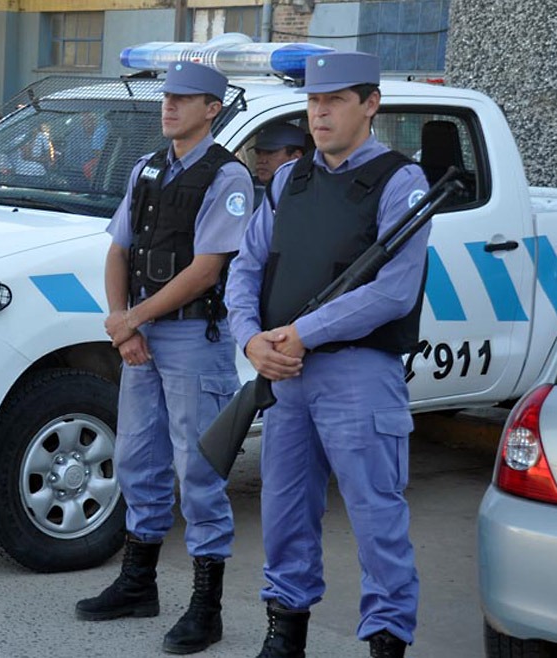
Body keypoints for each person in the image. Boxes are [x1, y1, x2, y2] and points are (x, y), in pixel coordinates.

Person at [224, 52, 429, 658]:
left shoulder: (402, 182)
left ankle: (387, 640)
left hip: (358, 371)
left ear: (371, 104)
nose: (320, 113)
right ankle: (285, 631)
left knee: (376, 517)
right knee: (285, 509)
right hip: (285, 371)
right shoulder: (289, 179)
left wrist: (302, 332)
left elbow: (393, 291)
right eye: (314, 101)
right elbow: (247, 267)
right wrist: (250, 339)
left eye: (335, 100)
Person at [74, 61, 252, 658]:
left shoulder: (227, 176)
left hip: (193, 338)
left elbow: (206, 270)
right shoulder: (147, 166)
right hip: (143, 335)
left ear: (212, 109)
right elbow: (118, 249)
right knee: (137, 460)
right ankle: (138, 584)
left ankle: (206, 608)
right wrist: (122, 321)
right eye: (167, 96)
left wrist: (133, 320)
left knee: (199, 469)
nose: (169, 106)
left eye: (184, 98)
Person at [250, 122, 307, 211]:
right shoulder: (248, 187)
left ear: (296, 157)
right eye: (258, 153)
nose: (262, 160)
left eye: (270, 153)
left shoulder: (307, 194)